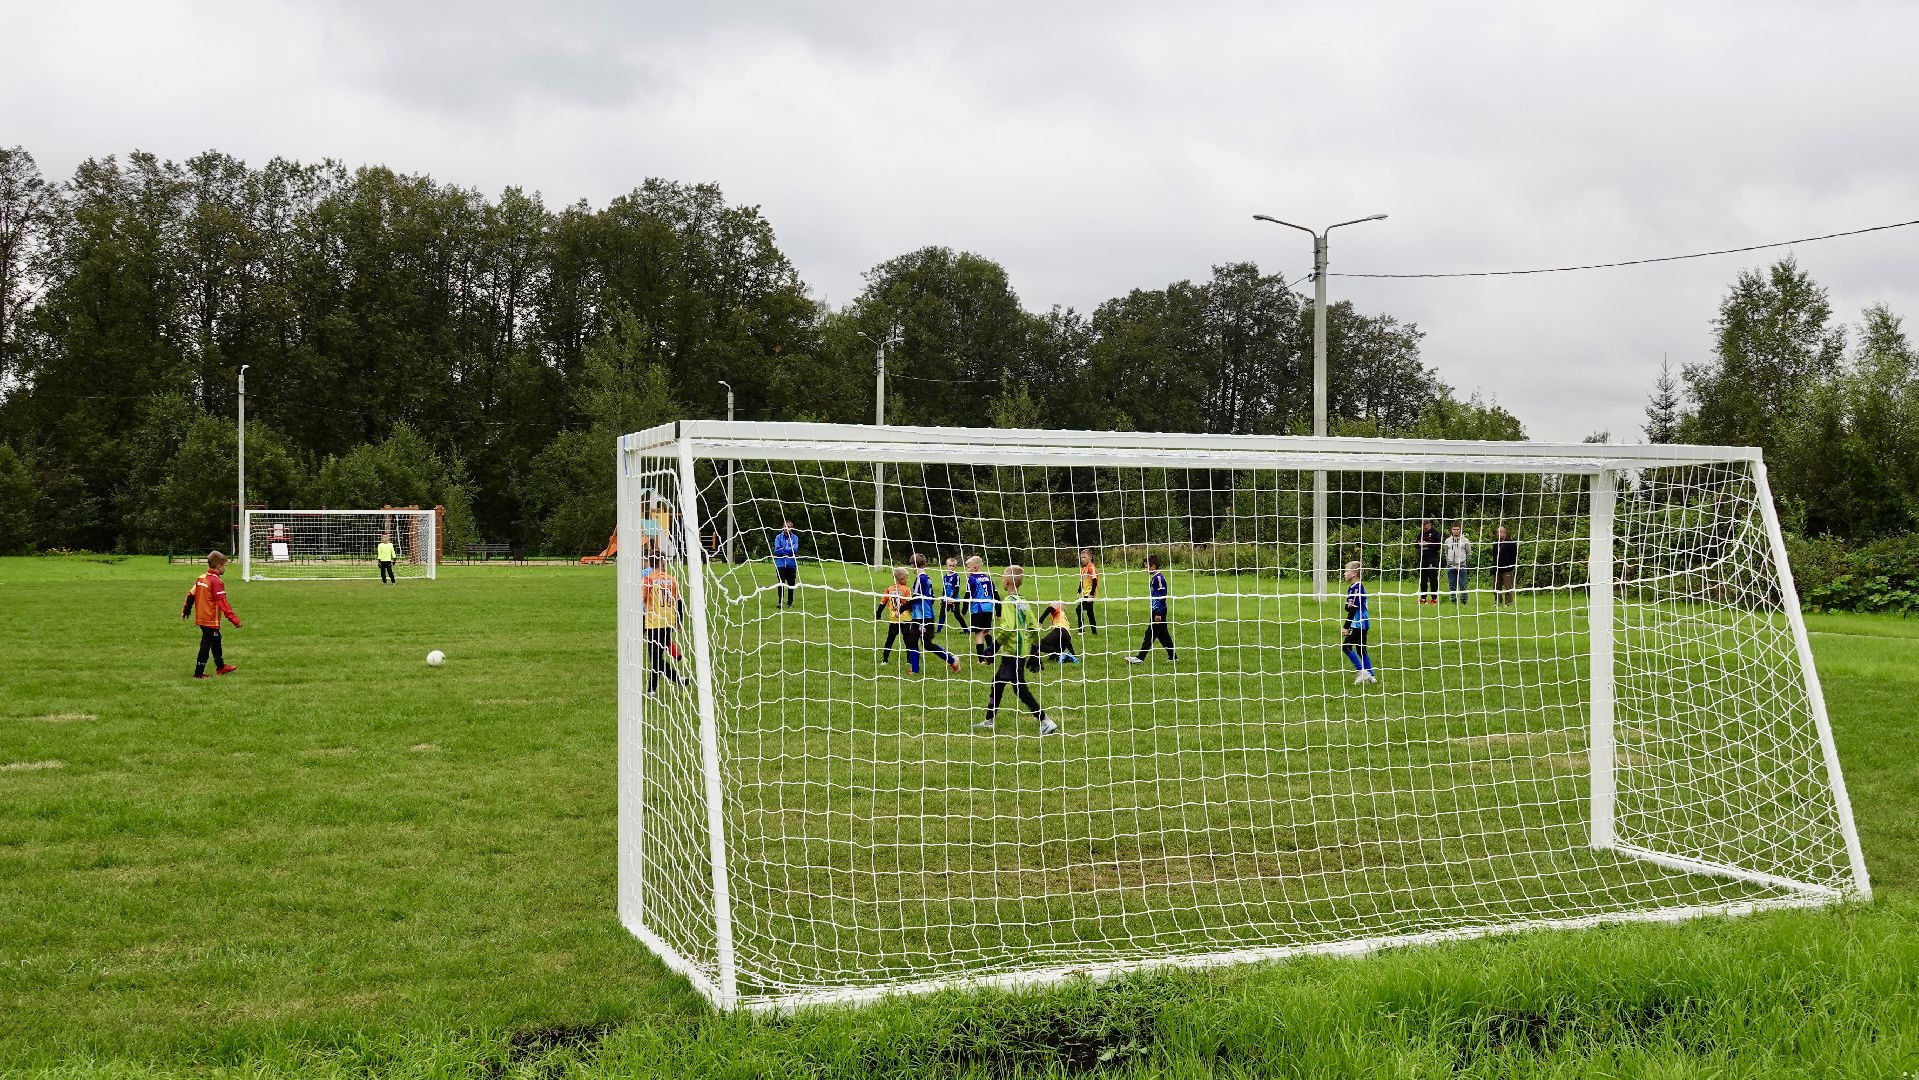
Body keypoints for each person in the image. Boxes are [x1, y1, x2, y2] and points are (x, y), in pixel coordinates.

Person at [974, 564, 1058, 734]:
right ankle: (989, 720)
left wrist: (992, 649)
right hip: (1019, 651)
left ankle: (1045, 721)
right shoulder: (1024, 602)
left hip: (1012, 651)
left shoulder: (1007, 602)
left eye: (1003, 578)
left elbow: (1007, 628)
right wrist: (1034, 652)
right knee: (997, 683)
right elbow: (1034, 627)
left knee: (1020, 689)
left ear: (1006, 581)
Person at [182, 550, 242, 678]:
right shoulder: (216, 581)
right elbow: (223, 603)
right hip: (210, 619)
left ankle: (221, 667)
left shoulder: (201, 578)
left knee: (216, 639)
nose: (225, 568)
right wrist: (234, 620)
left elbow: (191, 595)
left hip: (201, 617)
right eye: (225, 565)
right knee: (206, 643)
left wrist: (186, 610)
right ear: (219, 565)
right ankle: (198, 673)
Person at [910, 553, 962, 673]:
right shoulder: (927, 578)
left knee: (927, 644)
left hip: (925, 616)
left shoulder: (920, 578)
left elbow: (916, 597)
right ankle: (915, 670)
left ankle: (952, 660)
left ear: (913, 565)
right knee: (912, 640)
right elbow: (932, 597)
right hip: (919, 615)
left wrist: (902, 608)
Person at [642, 553, 685, 694]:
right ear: (661, 563)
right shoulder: (671, 579)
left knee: (654, 658)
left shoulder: (648, 579)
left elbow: (641, 600)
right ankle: (651, 689)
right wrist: (679, 621)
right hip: (669, 622)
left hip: (654, 623)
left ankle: (678, 679)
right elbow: (679, 601)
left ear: (650, 562)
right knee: (657, 656)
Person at [1127, 554, 1176, 665]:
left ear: (1153, 566)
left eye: (1146, 566)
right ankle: (1173, 657)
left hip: (1159, 610)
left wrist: (1158, 612)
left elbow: (1162, 595)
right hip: (1157, 609)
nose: (1145, 569)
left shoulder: (1158, 578)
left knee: (1149, 634)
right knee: (1163, 635)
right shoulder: (1155, 577)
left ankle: (1140, 658)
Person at [1341, 560, 1377, 685]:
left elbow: (1352, 610)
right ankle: (1371, 676)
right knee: (1361, 649)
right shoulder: (1353, 587)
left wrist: (1346, 627)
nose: (1344, 573)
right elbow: (1347, 607)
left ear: (1355, 573)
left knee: (1346, 647)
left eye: (1346, 571)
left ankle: (1362, 671)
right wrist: (1349, 605)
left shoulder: (1357, 588)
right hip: (1363, 622)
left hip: (1358, 623)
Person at [875, 567, 913, 667]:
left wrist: (878, 614)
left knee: (890, 639)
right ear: (902, 579)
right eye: (907, 578)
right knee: (907, 639)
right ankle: (909, 660)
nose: (907, 580)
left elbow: (882, 603)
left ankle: (885, 660)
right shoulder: (906, 590)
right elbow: (909, 604)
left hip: (893, 619)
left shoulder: (889, 589)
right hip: (905, 618)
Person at [966, 555, 999, 662]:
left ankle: (981, 660)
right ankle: (991, 657)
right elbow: (996, 594)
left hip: (978, 609)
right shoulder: (988, 578)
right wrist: (999, 611)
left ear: (975, 568)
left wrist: (963, 609)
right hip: (989, 608)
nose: (967, 569)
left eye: (968, 567)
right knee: (986, 632)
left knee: (979, 634)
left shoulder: (971, 579)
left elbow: (967, 595)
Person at [771, 519, 800, 609]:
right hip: (780, 564)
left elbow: (795, 550)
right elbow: (776, 550)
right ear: (783, 527)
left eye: (789, 527)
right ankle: (780, 602)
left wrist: (783, 549)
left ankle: (789, 603)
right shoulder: (778, 537)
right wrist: (788, 549)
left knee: (791, 584)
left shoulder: (795, 538)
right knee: (781, 582)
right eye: (786, 527)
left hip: (791, 564)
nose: (787, 529)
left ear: (792, 528)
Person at [1444, 523, 1472, 604]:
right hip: (1450, 566)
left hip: (1462, 566)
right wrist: (1449, 560)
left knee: (1463, 585)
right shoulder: (1447, 541)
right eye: (1454, 529)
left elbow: (1468, 552)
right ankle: (1453, 601)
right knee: (1452, 585)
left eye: (1457, 529)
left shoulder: (1465, 540)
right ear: (1451, 530)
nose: (1456, 531)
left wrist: (1462, 560)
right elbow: (1446, 552)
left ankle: (1464, 601)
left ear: (1460, 530)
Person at [1416, 519, 1442, 604]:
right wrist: (1419, 544)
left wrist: (1427, 544)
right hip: (1423, 559)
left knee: (1433, 578)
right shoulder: (1421, 533)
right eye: (1423, 527)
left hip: (1432, 559)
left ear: (1429, 525)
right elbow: (1416, 545)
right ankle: (1423, 598)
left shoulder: (1435, 533)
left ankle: (1434, 598)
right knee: (1423, 579)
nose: (1425, 528)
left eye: (1426, 527)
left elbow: (1438, 546)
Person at [1492, 526, 1519, 606]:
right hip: (1496, 569)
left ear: (1505, 533)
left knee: (1508, 587)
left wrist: (1510, 565)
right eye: (1497, 532)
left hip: (1507, 569)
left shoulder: (1511, 543)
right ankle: (1498, 603)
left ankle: (1508, 604)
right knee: (1495, 587)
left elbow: (1514, 556)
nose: (1498, 534)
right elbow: (1494, 555)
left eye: (1500, 532)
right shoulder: (1495, 543)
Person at [1075, 549, 1100, 635]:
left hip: (1090, 594)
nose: (1082, 559)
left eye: (1085, 557)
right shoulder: (1083, 569)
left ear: (1090, 557)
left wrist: (1091, 594)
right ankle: (1094, 632)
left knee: (1078, 609)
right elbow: (1081, 581)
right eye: (1081, 557)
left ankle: (1081, 630)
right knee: (1090, 613)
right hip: (1085, 593)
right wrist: (1079, 591)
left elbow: (1095, 580)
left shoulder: (1091, 567)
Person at [938, 557, 964, 628]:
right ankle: (938, 629)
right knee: (942, 613)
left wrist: (952, 598)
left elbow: (957, 588)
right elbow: (944, 588)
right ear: (946, 566)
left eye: (953, 566)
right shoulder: (945, 577)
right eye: (950, 565)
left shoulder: (956, 576)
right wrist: (942, 598)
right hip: (946, 599)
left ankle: (966, 629)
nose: (951, 567)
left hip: (954, 599)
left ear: (955, 567)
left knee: (957, 615)